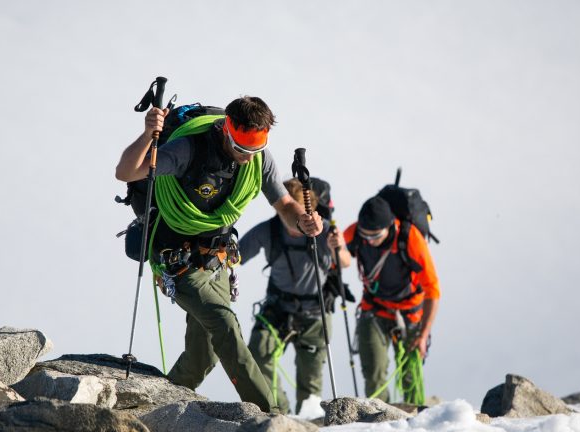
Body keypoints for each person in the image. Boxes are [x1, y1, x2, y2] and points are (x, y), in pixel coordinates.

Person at [115, 96, 323, 413]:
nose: (247, 158)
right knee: (226, 327)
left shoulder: (258, 158)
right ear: (227, 130)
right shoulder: (189, 150)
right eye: (241, 149)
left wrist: (303, 222)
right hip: (177, 261)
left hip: (217, 261)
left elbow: (284, 205)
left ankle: (157, 408)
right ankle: (269, 414)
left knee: (203, 356)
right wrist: (147, 135)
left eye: (255, 149)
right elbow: (126, 172)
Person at [239, 179, 351, 414]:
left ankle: (307, 423)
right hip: (278, 309)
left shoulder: (325, 231)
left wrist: (338, 247)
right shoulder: (268, 230)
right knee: (258, 356)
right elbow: (235, 256)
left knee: (310, 385)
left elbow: (345, 262)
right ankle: (279, 412)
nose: (292, 223)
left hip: (315, 315)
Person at [343, 196, 440, 403]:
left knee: (410, 375)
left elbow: (432, 290)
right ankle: (379, 417)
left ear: (390, 227)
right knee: (373, 372)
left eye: (375, 236)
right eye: (365, 235)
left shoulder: (410, 238)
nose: (369, 241)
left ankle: (415, 415)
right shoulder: (355, 232)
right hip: (374, 308)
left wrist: (423, 335)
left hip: (410, 314)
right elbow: (336, 255)